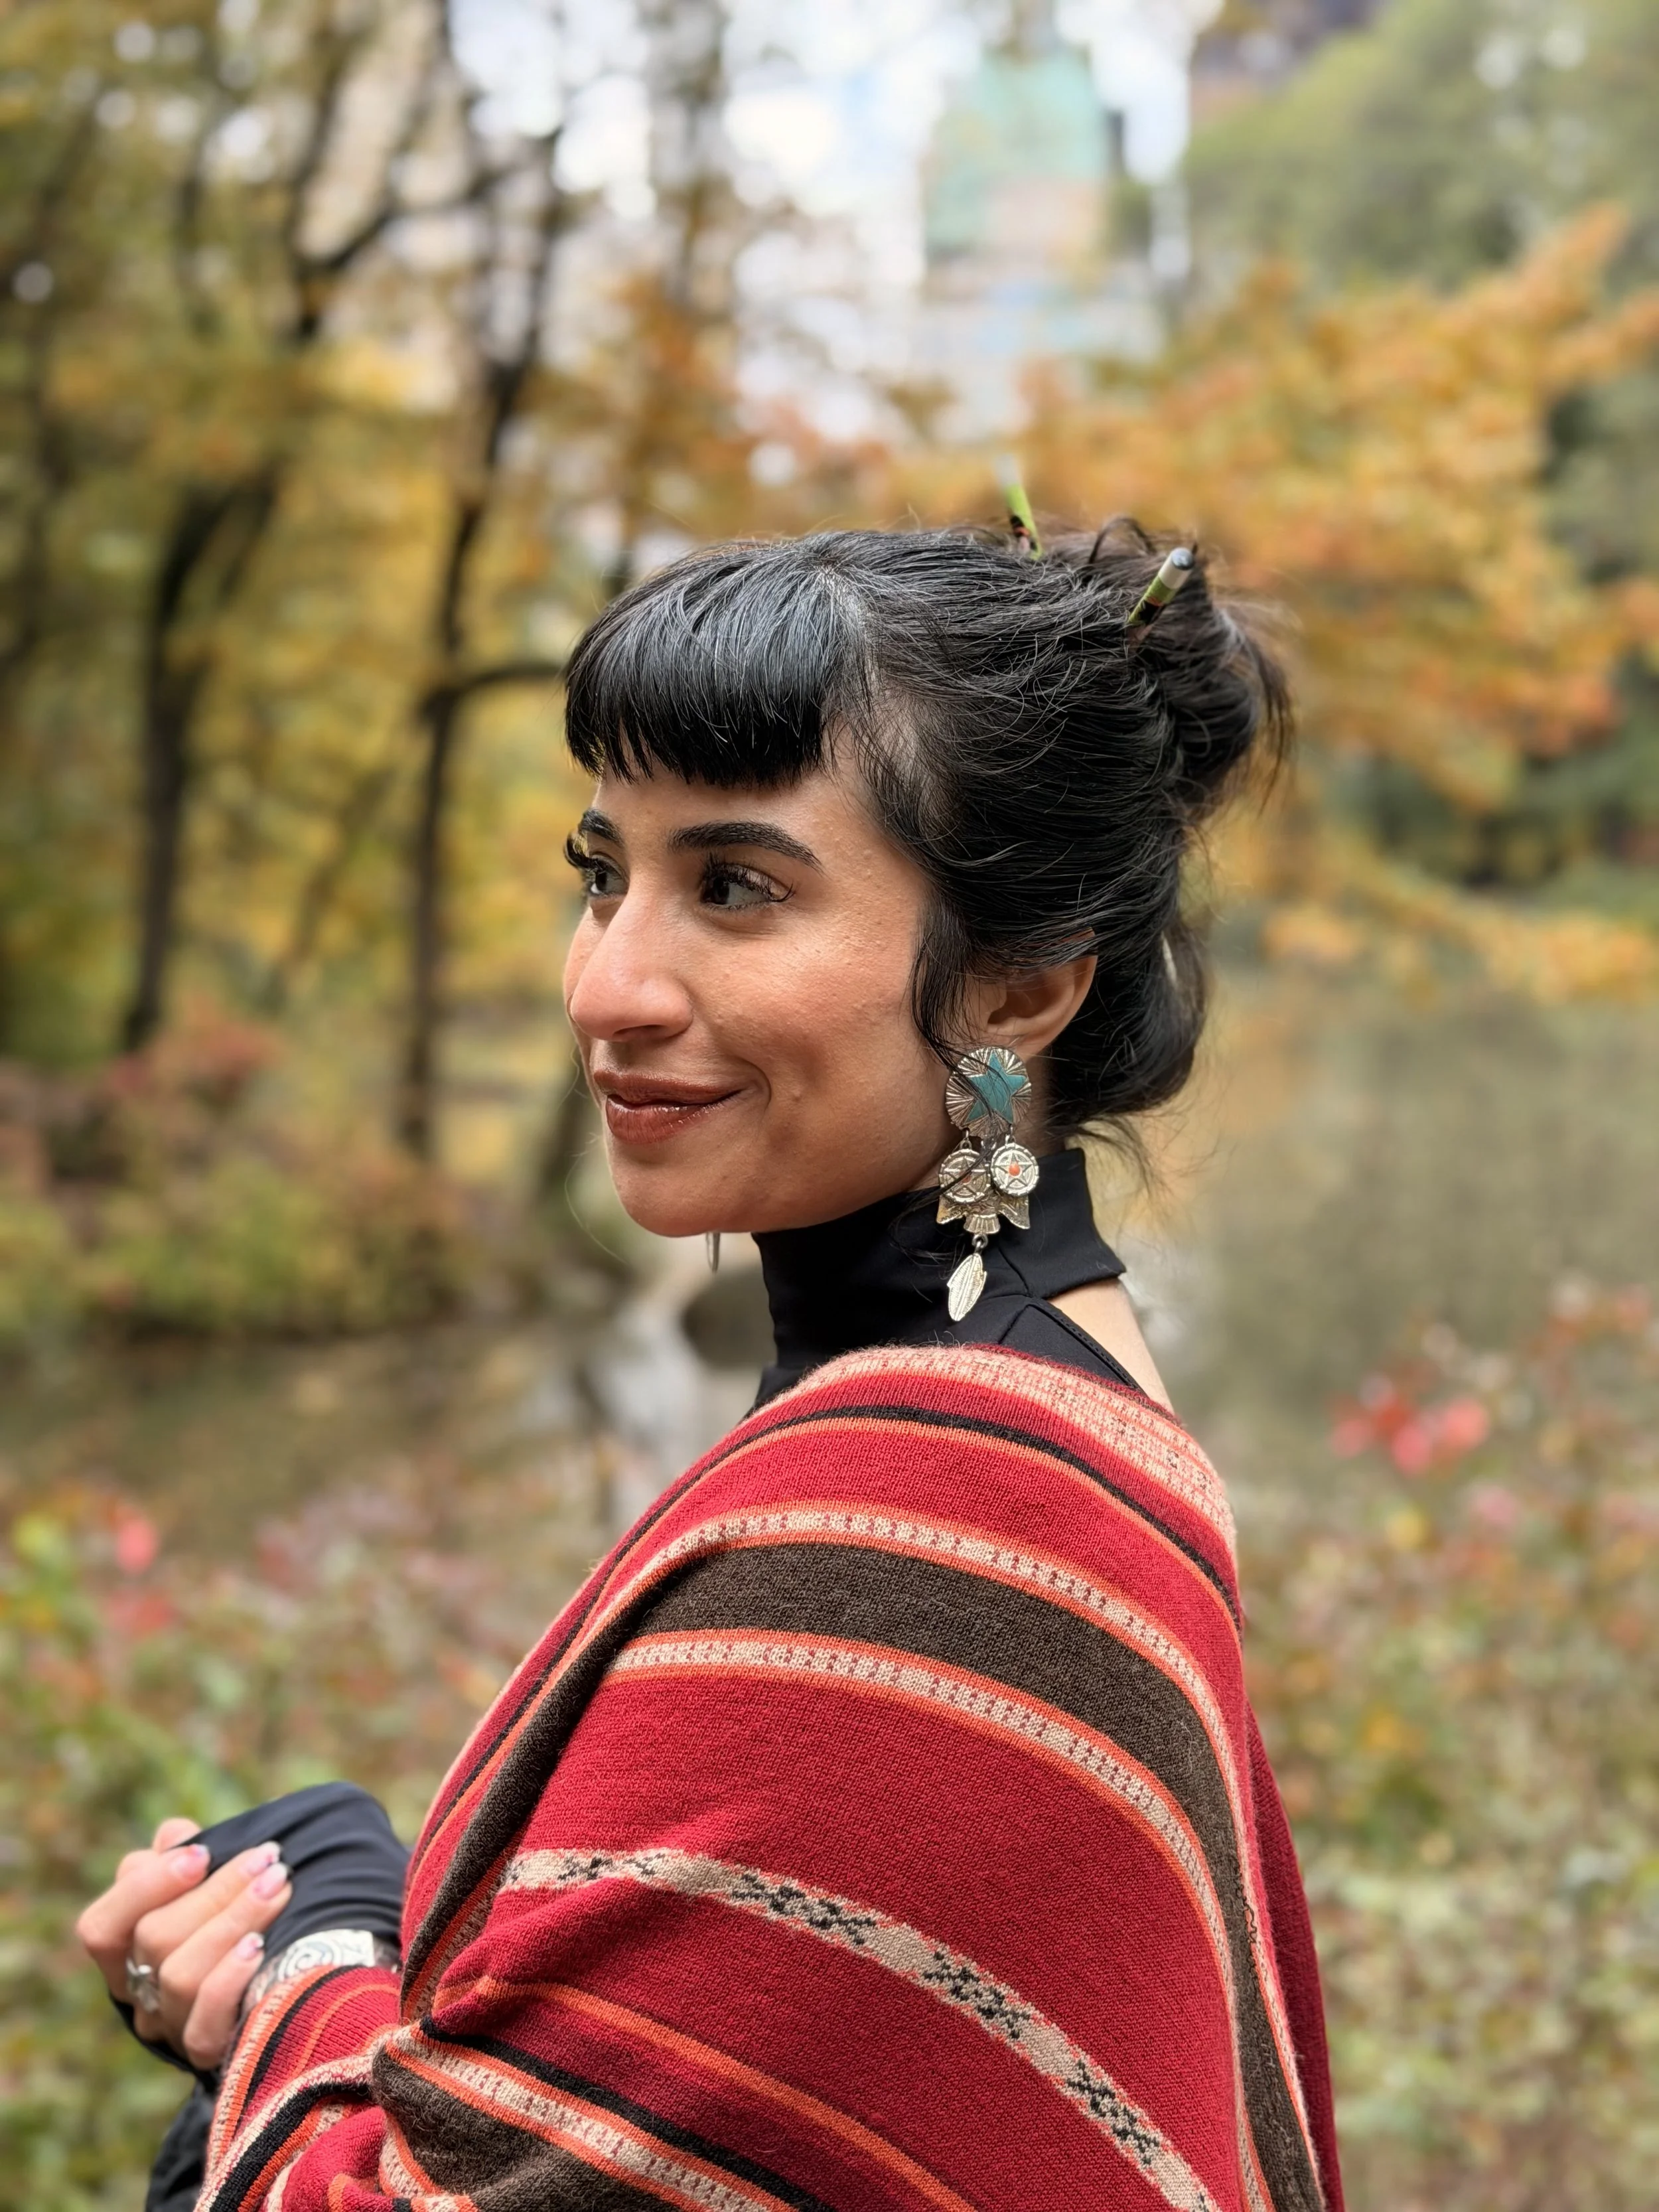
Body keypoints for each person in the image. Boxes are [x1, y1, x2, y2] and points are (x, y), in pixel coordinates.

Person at [78, 520, 1343, 2212]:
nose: (605, 983)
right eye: (604, 871)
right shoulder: (1054, 1389)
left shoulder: (928, 1510)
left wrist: (307, 1967)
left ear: (1020, 985)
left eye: (734, 887)